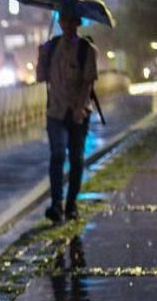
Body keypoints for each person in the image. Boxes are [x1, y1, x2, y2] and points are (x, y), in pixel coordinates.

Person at [36, 13, 98, 222]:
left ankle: (71, 205)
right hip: (55, 112)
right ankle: (56, 204)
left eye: (72, 21)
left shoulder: (86, 50)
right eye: (64, 20)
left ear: (78, 23)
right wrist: (41, 57)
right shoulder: (51, 47)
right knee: (57, 155)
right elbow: (41, 78)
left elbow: (89, 83)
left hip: (77, 113)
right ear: (60, 22)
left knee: (76, 159)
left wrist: (80, 108)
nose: (68, 25)